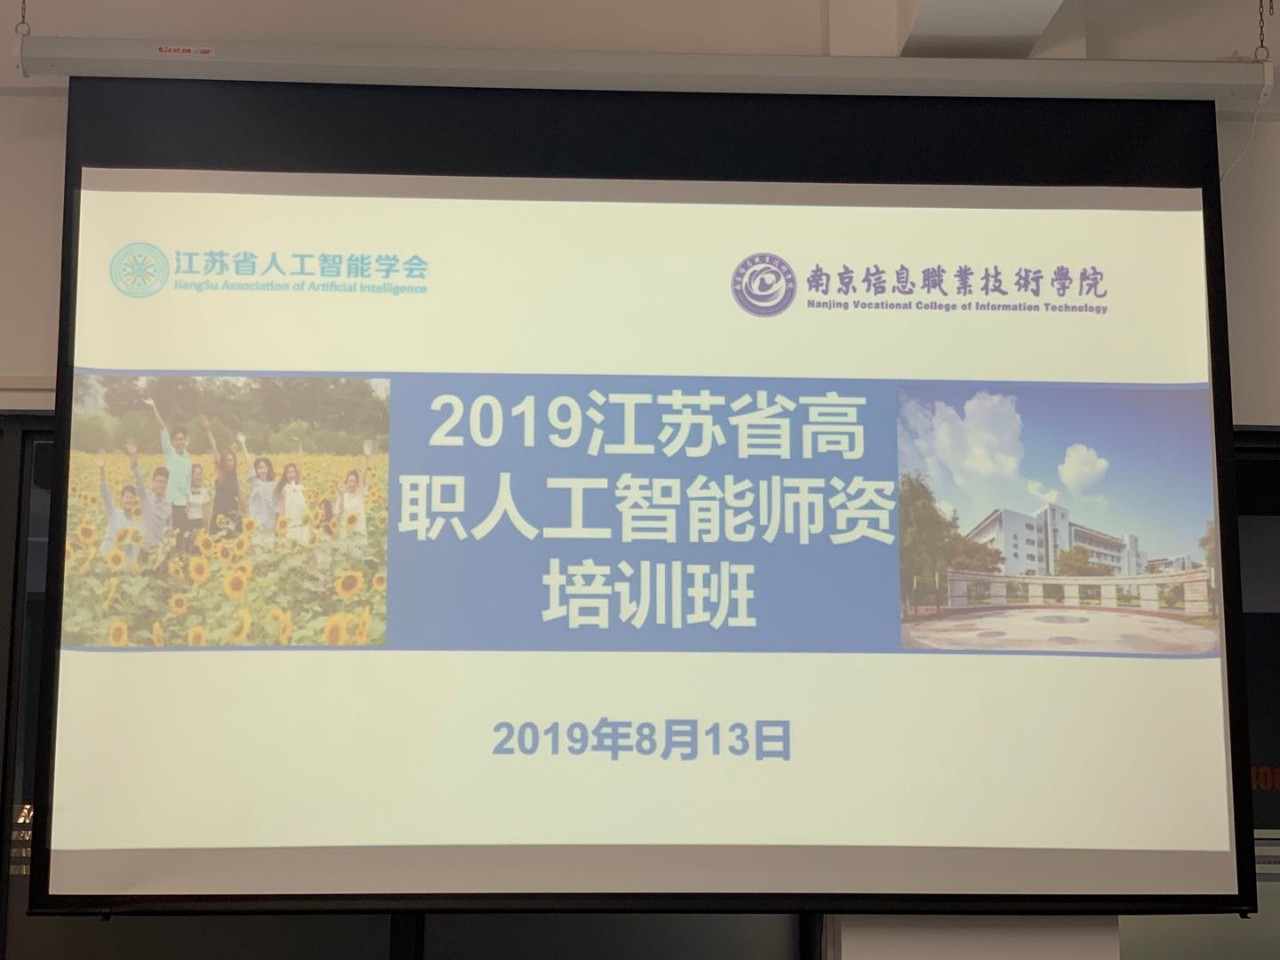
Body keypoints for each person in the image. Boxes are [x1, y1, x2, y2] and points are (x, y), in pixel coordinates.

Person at [143, 397, 194, 542]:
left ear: (186, 440)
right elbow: (163, 428)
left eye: (182, 439)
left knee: (180, 538)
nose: (179, 441)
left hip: (182, 504)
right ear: (172, 442)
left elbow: (188, 482)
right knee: (165, 536)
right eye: (176, 439)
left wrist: (188, 500)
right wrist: (154, 407)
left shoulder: (188, 459)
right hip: (168, 502)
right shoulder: (170, 453)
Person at [127, 439, 172, 549]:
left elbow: (170, 528)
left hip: (159, 549)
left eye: (164, 482)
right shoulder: (146, 497)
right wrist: (134, 462)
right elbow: (139, 481)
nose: (161, 485)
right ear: (153, 482)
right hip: (143, 546)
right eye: (158, 481)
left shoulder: (170, 505)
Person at [96, 451, 140, 559]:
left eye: (131, 498)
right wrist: (102, 469)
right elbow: (106, 494)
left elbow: (135, 548)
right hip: (105, 557)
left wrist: (132, 564)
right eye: (126, 497)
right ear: (121, 500)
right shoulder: (114, 513)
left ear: (135, 501)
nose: (129, 500)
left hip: (120, 562)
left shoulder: (136, 523)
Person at [203, 418, 242, 539]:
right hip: (219, 513)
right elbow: (214, 449)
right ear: (223, 461)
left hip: (233, 512)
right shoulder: (220, 472)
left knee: (233, 539)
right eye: (228, 460)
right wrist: (209, 432)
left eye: (232, 460)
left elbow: (239, 495)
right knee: (217, 540)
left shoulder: (235, 476)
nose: (230, 463)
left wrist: (242, 511)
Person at [238, 432, 276, 545]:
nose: (262, 470)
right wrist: (243, 444)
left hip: (270, 521)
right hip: (256, 521)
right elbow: (249, 463)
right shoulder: (255, 481)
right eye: (259, 468)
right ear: (256, 470)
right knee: (257, 547)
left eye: (264, 467)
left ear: (268, 468)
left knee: (269, 548)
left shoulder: (273, 484)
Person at [336, 440, 373, 540]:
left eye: (354, 481)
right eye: (349, 481)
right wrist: (341, 495)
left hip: (359, 534)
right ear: (345, 483)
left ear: (357, 484)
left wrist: (366, 457)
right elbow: (339, 513)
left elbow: (363, 475)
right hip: (345, 535)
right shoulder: (343, 497)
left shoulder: (359, 494)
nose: (351, 484)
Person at [275, 462, 310, 546]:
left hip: (300, 517)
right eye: (289, 472)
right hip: (290, 517)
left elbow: (303, 503)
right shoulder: (284, 489)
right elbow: (281, 507)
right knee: (291, 541)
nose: (291, 474)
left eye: (293, 472)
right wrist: (282, 521)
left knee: (302, 540)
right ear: (285, 474)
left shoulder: (299, 487)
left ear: (296, 473)